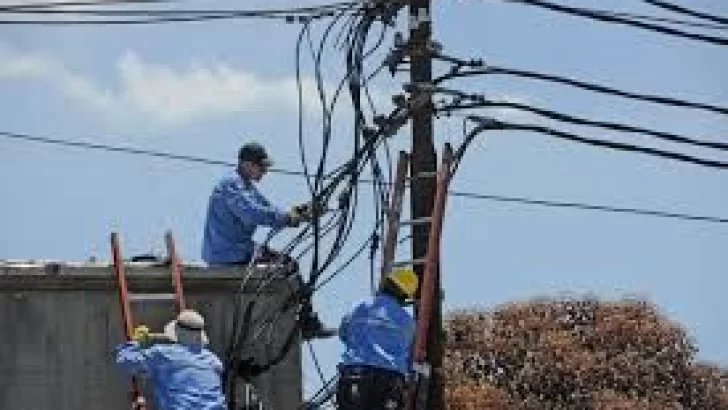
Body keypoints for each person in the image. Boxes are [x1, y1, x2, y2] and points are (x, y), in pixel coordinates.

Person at [201, 141, 335, 344]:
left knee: (285, 265)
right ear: (246, 164)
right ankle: (308, 323)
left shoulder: (246, 187)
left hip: (238, 249)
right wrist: (290, 218)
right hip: (229, 253)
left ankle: (302, 320)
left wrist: (302, 211)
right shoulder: (231, 185)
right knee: (288, 267)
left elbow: (269, 209)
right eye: (261, 166)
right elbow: (254, 213)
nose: (264, 171)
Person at [336, 268, 418, 410]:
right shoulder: (408, 322)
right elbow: (410, 355)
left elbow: (343, 334)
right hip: (389, 382)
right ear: (405, 296)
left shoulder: (359, 307)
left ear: (386, 283)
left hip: (355, 376)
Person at [114, 309, 227, 410]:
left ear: (177, 332)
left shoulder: (163, 354)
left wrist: (135, 342)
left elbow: (125, 362)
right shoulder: (213, 360)